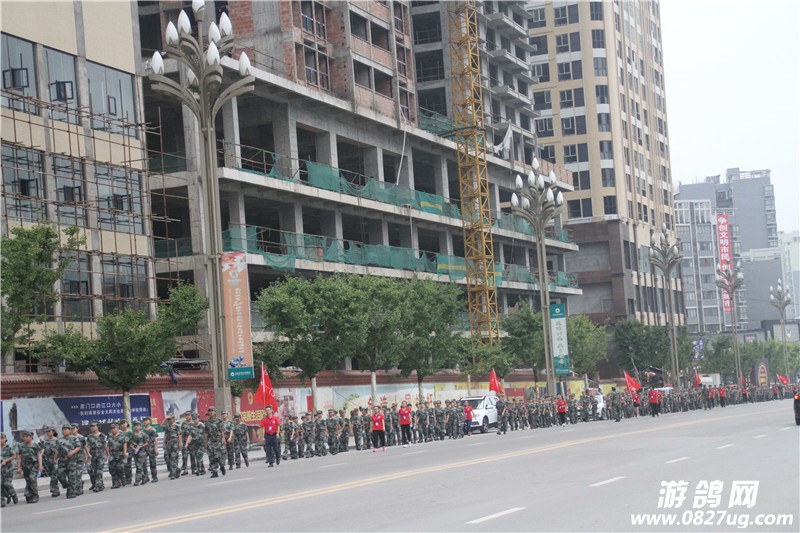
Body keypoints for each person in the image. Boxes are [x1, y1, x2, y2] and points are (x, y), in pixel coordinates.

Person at [56, 423, 82, 498]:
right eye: (63, 430)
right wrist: (55, 458)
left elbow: (78, 447)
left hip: (71, 461)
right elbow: (57, 450)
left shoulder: (74, 438)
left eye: (65, 430)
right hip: (62, 460)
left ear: (70, 430)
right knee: (60, 475)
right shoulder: (59, 440)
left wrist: (72, 453)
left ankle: (71, 492)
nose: (63, 431)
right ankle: (65, 484)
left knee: (72, 477)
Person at [16, 430, 41, 503]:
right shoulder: (21, 445)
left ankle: (35, 496)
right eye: (23, 437)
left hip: (34, 464)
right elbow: (19, 457)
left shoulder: (35, 445)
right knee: (28, 480)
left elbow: (39, 455)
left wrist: (40, 465)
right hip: (25, 465)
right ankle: (29, 495)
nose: (25, 438)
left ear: (31, 437)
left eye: (26, 437)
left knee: (32, 479)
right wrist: (18, 467)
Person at [204, 406, 227, 478]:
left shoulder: (219, 421)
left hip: (218, 441)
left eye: (212, 411)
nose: (210, 412)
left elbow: (222, 431)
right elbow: (206, 433)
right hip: (211, 441)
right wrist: (206, 442)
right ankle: (214, 472)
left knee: (219, 456)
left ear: (215, 412)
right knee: (211, 457)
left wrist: (223, 439)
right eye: (209, 411)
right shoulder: (207, 422)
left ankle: (222, 466)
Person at [86, 422, 107, 492]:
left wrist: (107, 454)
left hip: (101, 455)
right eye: (91, 426)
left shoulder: (102, 435)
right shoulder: (89, 437)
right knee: (95, 471)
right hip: (93, 456)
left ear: (97, 426)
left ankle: (97, 486)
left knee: (99, 471)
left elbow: (105, 445)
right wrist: (87, 455)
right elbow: (88, 446)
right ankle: (101, 485)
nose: (92, 427)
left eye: (94, 426)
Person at [41, 427, 61, 497]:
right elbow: (43, 449)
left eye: (49, 431)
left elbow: (58, 450)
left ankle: (54, 490)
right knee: (52, 475)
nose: (48, 433)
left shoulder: (57, 441)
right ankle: (56, 490)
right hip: (48, 461)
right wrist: (41, 454)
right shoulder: (46, 441)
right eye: (47, 432)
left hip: (56, 460)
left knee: (54, 476)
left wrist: (56, 459)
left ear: (53, 432)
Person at [106, 422, 127, 489]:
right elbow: (108, 445)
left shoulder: (121, 435)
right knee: (112, 469)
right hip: (112, 454)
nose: (112, 430)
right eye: (111, 428)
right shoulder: (110, 436)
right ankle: (115, 483)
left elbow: (124, 444)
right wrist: (108, 454)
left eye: (114, 428)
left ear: (117, 428)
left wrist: (124, 452)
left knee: (119, 468)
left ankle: (122, 478)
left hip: (119, 453)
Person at [129, 420, 150, 486]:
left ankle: (137, 480)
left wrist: (141, 446)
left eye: (138, 425)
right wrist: (133, 448)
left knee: (139, 466)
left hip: (142, 452)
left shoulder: (143, 434)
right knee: (139, 466)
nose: (136, 427)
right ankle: (144, 478)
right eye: (135, 425)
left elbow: (147, 442)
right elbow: (130, 443)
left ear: (140, 426)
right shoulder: (132, 435)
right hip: (135, 452)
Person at [161, 414, 182, 479]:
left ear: (173, 419)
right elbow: (161, 426)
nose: (169, 420)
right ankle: (177, 469)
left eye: (170, 419)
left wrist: (180, 444)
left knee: (173, 458)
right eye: (168, 419)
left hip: (175, 443)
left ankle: (173, 474)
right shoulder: (167, 426)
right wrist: (165, 418)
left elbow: (179, 435)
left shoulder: (177, 426)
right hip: (168, 443)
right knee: (167, 458)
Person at [1, 433, 18, 506]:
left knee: (6, 483)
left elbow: (14, 456)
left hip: (8, 468)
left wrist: (6, 460)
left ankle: (13, 494)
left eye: (2, 438)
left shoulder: (8, 448)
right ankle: (2, 501)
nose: (0, 440)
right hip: (0, 469)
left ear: (5, 439)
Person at [69, 424, 87, 495]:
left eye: (73, 428)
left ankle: (79, 489)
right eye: (71, 429)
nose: (72, 430)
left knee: (79, 473)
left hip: (80, 457)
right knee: (74, 474)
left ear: (77, 429)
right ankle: (77, 487)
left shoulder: (81, 437)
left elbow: (85, 447)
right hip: (72, 458)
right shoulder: (69, 438)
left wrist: (87, 455)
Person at [142, 416, 159, 483]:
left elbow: (155, 440)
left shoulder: (153, 430)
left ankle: (154, 477)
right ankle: (146, 477)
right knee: (143, 463)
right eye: (144, 420)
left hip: (151, 448)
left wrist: (156, 449)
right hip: (144, 448)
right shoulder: (142, 430)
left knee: (152, 463)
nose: (145, 421)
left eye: (146, 420)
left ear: (150, 421)